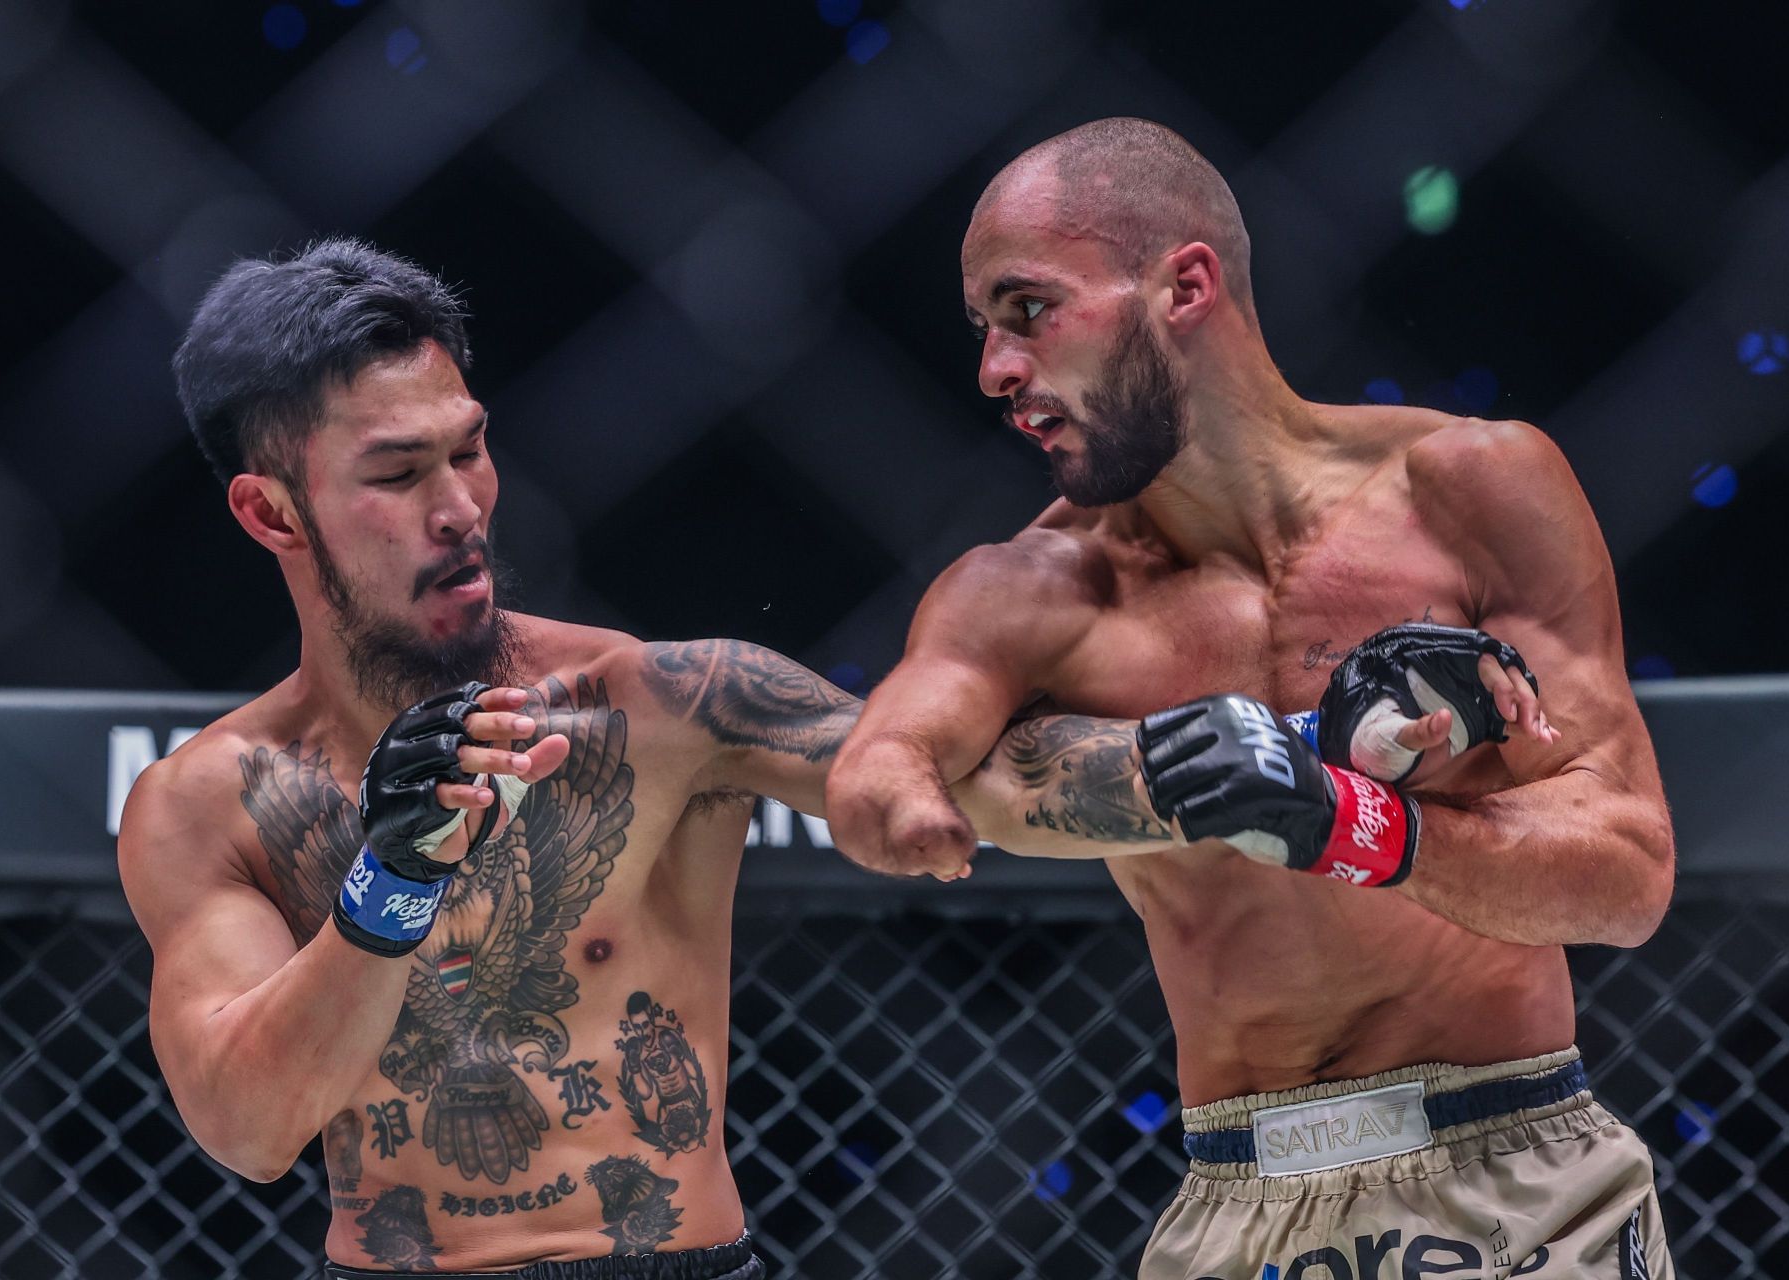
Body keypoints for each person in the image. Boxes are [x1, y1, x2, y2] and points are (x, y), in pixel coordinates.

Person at [118, 239, 1235, 1278]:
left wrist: (1262, 756)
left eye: (470, 448)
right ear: (272, 513)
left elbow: (981, 777)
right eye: (399, 473)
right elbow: (247, 1126)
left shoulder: (664, 702)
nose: (462, 507)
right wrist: (389, 881)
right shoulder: (211, 801)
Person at [826, 118, 1676, 1279]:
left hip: (1516, 1173)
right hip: (1242, 1202)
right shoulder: (1030, 591)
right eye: (982, 329)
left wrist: (1345, 820)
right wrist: (928, 805)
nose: (995, 370)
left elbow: (1628, 874)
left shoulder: (1471, 488)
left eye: (1029, 309)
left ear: (1183, 285)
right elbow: (877, 773)